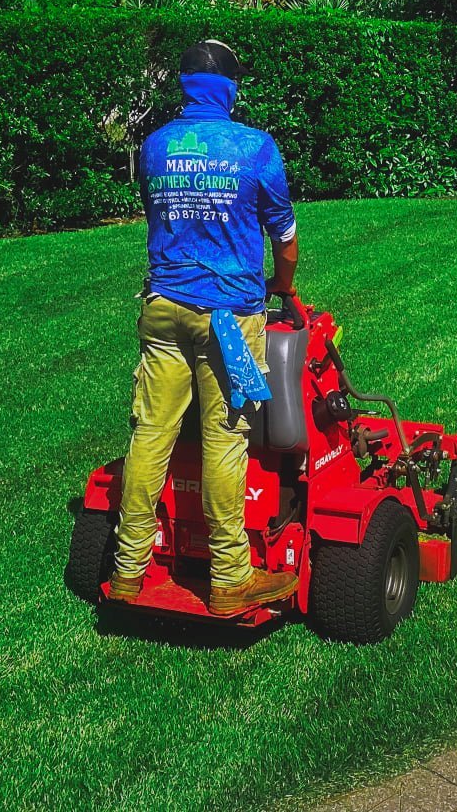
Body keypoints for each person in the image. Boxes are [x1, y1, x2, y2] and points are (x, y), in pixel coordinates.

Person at [109, 39, 302, 616]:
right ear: (230, 89)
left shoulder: (155, 146)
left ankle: (126, 570)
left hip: (162, 307)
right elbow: (285, 241)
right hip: (227, 318)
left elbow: (162, 216)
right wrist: (283, 289)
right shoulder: (254, 148)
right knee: (225, 438)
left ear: (186, 86)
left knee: (151, 432)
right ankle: (229, 576)